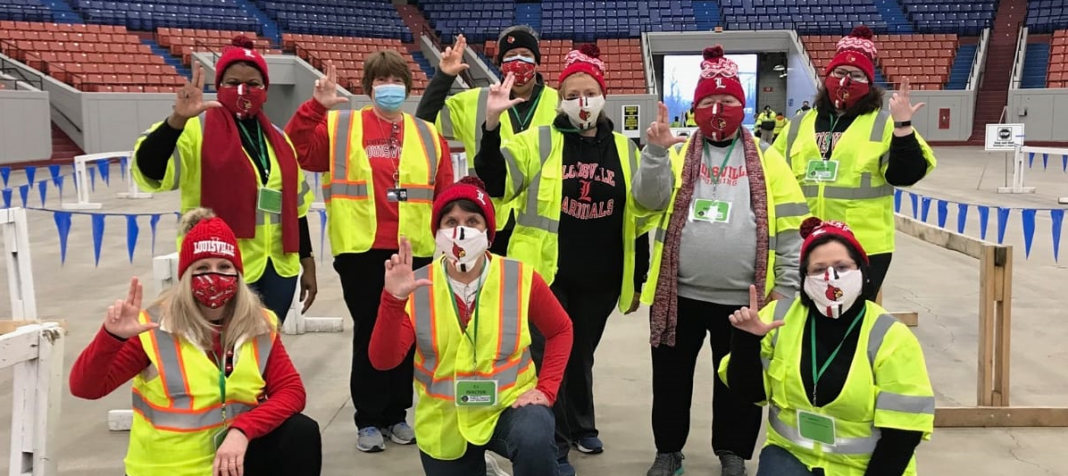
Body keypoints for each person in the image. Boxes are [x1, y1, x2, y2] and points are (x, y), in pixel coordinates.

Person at [474, 44, 651, 475]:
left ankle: (580, 424)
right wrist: (493, 125)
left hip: (602, 276)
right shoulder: (537, 141)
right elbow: (496, 182)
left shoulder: (626, 149)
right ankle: (551, 441)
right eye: (572, 93)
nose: (582, 101)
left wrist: (639, 276)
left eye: (589, 91)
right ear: (561, 99)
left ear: (604, 95)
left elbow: (639, 217)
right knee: (547, 354)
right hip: (546, 275)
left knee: (582, 353)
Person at [634, 46, 810, 476]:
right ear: (694, 108)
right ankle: (669, 451)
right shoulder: (675, 153)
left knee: (739, 381)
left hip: (744, 298)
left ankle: (733, 452)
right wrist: (654, 154)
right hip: (679, 295)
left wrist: (784, 294)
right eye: (710, 102)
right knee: (671, 381)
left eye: (728, 102)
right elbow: (645, 201)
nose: (719, 110)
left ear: (743, 106)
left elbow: (789, 232)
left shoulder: (769, 161)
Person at [285, 50, 454, 453]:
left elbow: (445, 191)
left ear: (407, 87)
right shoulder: (342, 126)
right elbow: (297, 149)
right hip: (361, 251)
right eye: (380, 81)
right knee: (371, 332)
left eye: (396, 80)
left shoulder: (427, 134)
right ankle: (369, 418)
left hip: (417, 251)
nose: (389, 87)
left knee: (408, 334)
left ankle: (398, 414)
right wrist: (313, 108)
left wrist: (448, 243)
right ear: (368, 87)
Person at [69, 209, 322, 476]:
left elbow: (292, 391)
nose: (214, 276)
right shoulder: (154, 327)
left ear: (238, 274)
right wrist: (111, 337)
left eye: (224, 267)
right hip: (167, 469)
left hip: (231, 461)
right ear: (186, 276)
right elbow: (86, 388)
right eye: (202, 268)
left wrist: (243, 430)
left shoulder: (259, 322)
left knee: (300, 432)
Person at [369, 177, 574, 476]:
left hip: (509, 408)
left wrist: (547, 389)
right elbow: (383, 360)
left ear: (488, 233)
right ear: (437, 234)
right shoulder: (416, 285)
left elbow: (561, 330)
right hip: (445, 421)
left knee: (535, 436)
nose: (460, 230)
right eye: (450, 221)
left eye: (472, 220)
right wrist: (393, 300)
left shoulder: (520, 277)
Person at [722, 217, 934, 476]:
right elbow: (749, 394)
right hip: (791, 457)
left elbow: (903, 434)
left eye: (842, 266)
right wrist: (746, 341)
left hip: (865, 468)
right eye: (818, 269)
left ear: (862, 272)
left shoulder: (891, 336)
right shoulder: (779, 317)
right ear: (805, 280)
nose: (830, 277)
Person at [133, 36, 318, 322]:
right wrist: (177, 121)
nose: (244, 90)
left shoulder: (279, 139)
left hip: (279, 268)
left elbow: (297, 209)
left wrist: (308, 264)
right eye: (233, 82)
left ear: (265, 90)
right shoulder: (196, 129)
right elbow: (150, 170)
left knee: (265, 351)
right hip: (218, 268)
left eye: (253, 83)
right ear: (219, 86)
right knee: (219, 354)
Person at [772, 25, 937, 302]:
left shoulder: (884, 123)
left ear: (869, 83)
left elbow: (905, 175)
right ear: (828, 76)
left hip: (864, 247)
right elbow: (773, 175)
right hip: (805, 241)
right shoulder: (799, 124)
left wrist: (903, 126)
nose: (846, 81)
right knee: (804, 318)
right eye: (840, 73)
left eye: (857, 75)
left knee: (852, 321)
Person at [416, 28, 560, 257]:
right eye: (510, 56)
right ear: (501, 63)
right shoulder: (474, 101)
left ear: (537, 61)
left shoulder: (559, 102)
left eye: (525, 54)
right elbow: (423, 124)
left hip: (542, 229)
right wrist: (443, 77)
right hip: (485, 221)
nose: (517, 61)